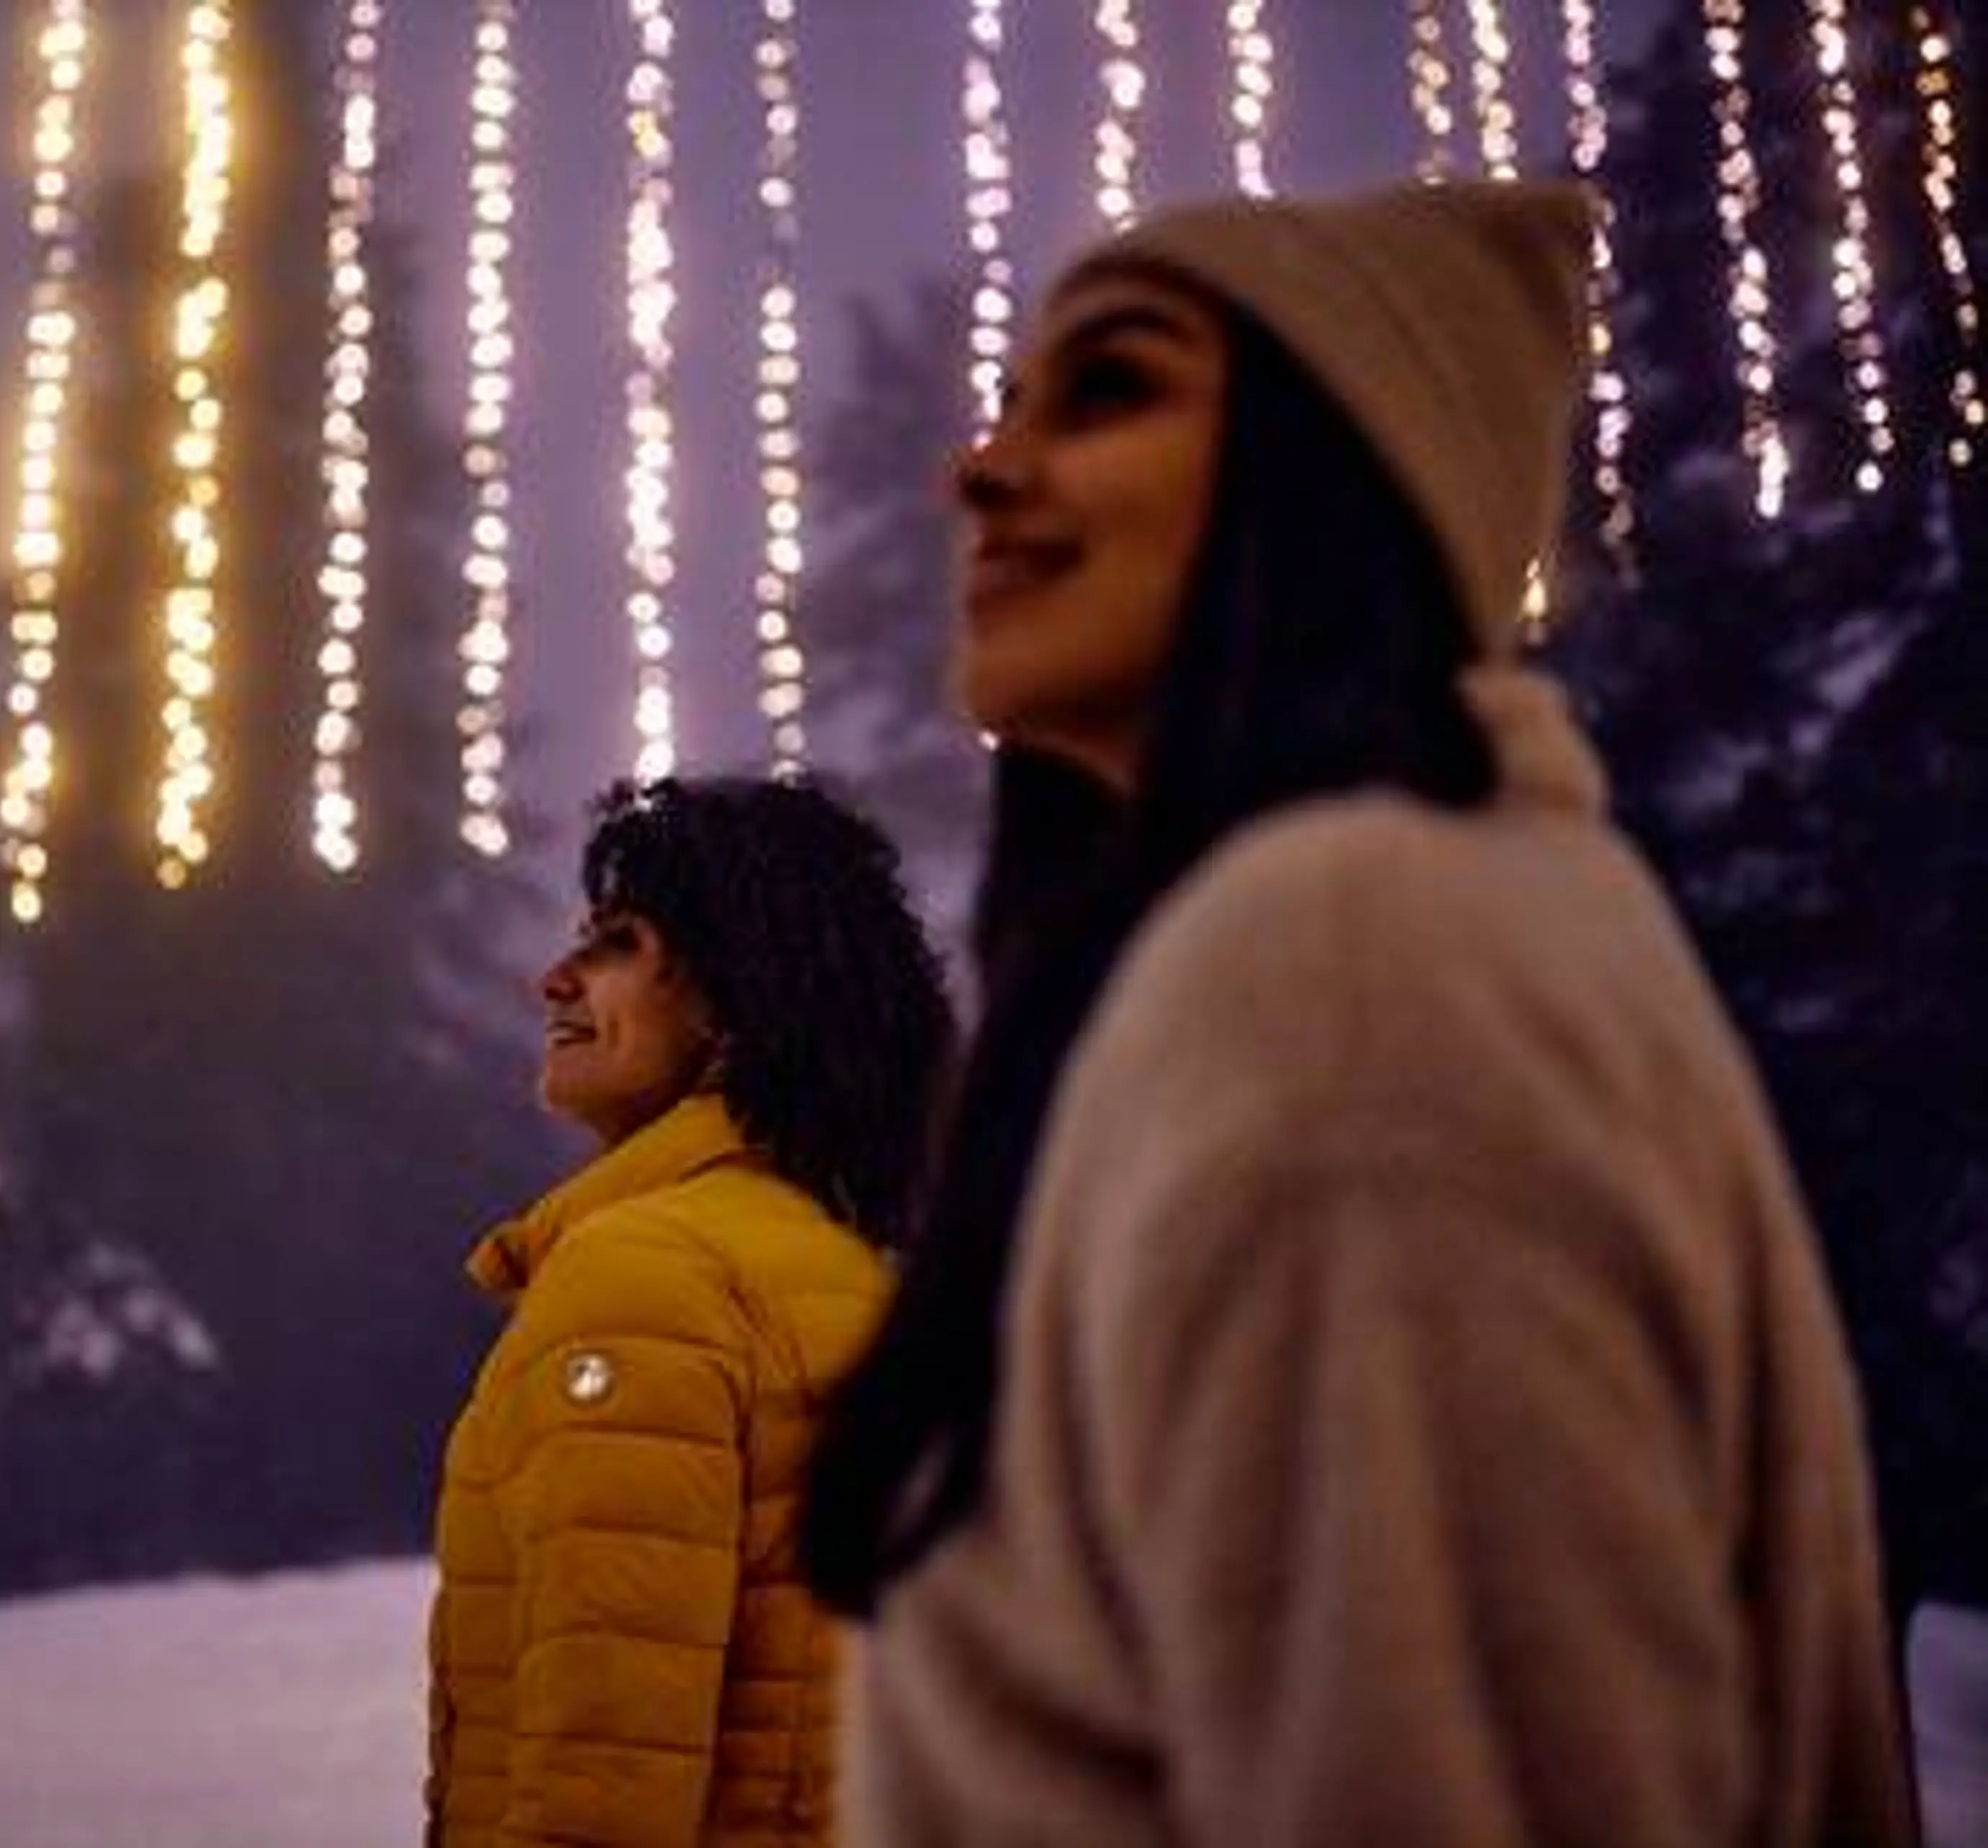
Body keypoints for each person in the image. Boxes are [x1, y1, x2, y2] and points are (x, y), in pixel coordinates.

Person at [799, 180, 1916, 1845]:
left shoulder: (1350, 966)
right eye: (1012, 401)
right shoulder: (1416, 925)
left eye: (1108, 388)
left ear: (1333, 481)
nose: (978, 468)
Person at [426, 775, 954, 1848]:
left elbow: (605, 1774)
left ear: (732, 998)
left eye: (615, 944)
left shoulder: (644, 1283)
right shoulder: (851, 1270)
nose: (554, 980)